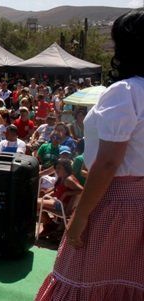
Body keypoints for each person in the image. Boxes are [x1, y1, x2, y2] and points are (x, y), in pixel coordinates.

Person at [37, 10, 144, 300]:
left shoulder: (125, 91)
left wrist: (80, 217)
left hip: (115, 204)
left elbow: (109, 163)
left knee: (83, 281)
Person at [37, 158, 84, 239]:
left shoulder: (69, 180)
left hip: (62, 205)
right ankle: (49, 225)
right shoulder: (61, 177)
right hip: (58, 201)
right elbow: (58, 189)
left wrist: (67, 193)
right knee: (36, 203)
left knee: (36, 203)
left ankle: (49, 225)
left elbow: (82, 190)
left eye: (59, 168)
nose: (56, 170)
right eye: (56, 168)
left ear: (66, 168)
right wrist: (49, 192)